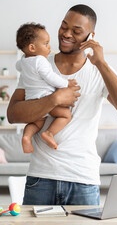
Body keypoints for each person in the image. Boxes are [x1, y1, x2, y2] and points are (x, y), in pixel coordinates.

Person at [7, 4, 117, 205]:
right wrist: (54, 99)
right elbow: (13, 114)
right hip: (41, 178)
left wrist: (101, 63)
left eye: (76, 31)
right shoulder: (38, 63)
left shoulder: (99, 71)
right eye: (63, 26)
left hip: (83, 180)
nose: (66, 34)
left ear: (90, 36)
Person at [15, 23, 76, 153]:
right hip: (45, 97)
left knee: (36, 124)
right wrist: (66, 84)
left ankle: (26, 136)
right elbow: (50, 77)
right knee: (66, 115)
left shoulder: (23, 61)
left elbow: (17, 67)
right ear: (32, 47)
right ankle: (49, 133)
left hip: (31, 100)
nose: (49, 47)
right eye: (46, 44)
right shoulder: (40, 61)